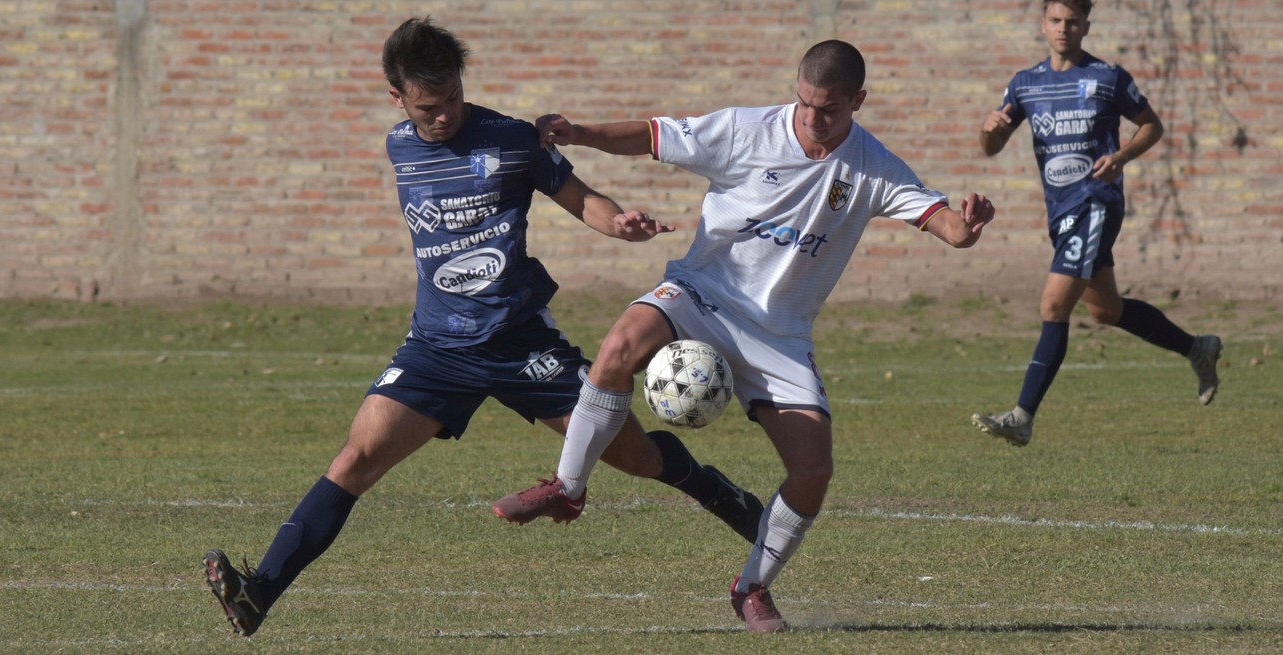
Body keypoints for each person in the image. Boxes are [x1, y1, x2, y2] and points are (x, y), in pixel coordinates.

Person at [200, 16, 764, 637]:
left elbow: (580, 197)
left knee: (635, 456)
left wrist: (620, 223)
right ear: (397, 99)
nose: (444, 114)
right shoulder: (399, 147)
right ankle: (259, 592)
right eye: (428, 106)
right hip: (436, 348)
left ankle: (721, 494)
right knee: (355, 460)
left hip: (522, 342)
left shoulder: (512, 139)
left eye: (453, 98)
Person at [492, 40, 996, 633]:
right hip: (700, 295)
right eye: (805, 103)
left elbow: (948, 228)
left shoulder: (872, 167)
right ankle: (568, 487)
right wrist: (579, 133)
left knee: (814, 471)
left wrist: (969, 224)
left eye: (830, 109)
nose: (813, 118)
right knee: (618, 348)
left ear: (858, 101)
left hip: (779, 336)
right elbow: (654, 136)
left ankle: (752, 587)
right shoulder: (746, 130)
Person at [971, 0, 1222, 447]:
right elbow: (992, 146)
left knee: (1053, 306)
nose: (1063, 28)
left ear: (1086, 25)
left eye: (1072, 21)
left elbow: (1152, 126)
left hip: (1096, 203)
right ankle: (1196, 348)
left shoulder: (1109, 77)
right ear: (1043, 24)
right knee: (1106, 310)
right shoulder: (1025, 84)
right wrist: (989, 130)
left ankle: (1022, 417)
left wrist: (1122, 156)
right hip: (1061, 210)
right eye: (1055, 20)